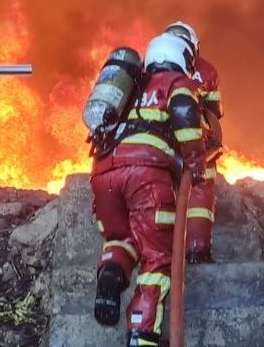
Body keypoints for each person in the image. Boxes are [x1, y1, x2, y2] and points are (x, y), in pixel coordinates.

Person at [90, 33, 209, 346]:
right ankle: (141, 334)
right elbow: (184, 116)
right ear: (183, 56)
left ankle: (111, 275)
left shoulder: (131, 89)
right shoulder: (174, 83)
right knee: (157, 258)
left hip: (103, 176)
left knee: (120, 238)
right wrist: (196, 164)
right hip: (145, 178)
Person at [164, 21, 222, 263]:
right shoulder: (206, 71)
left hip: (160, 142)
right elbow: (213, 113)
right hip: (195, 142)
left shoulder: (154, 69)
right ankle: (197, 249)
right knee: (200, 187)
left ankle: (159, 252)